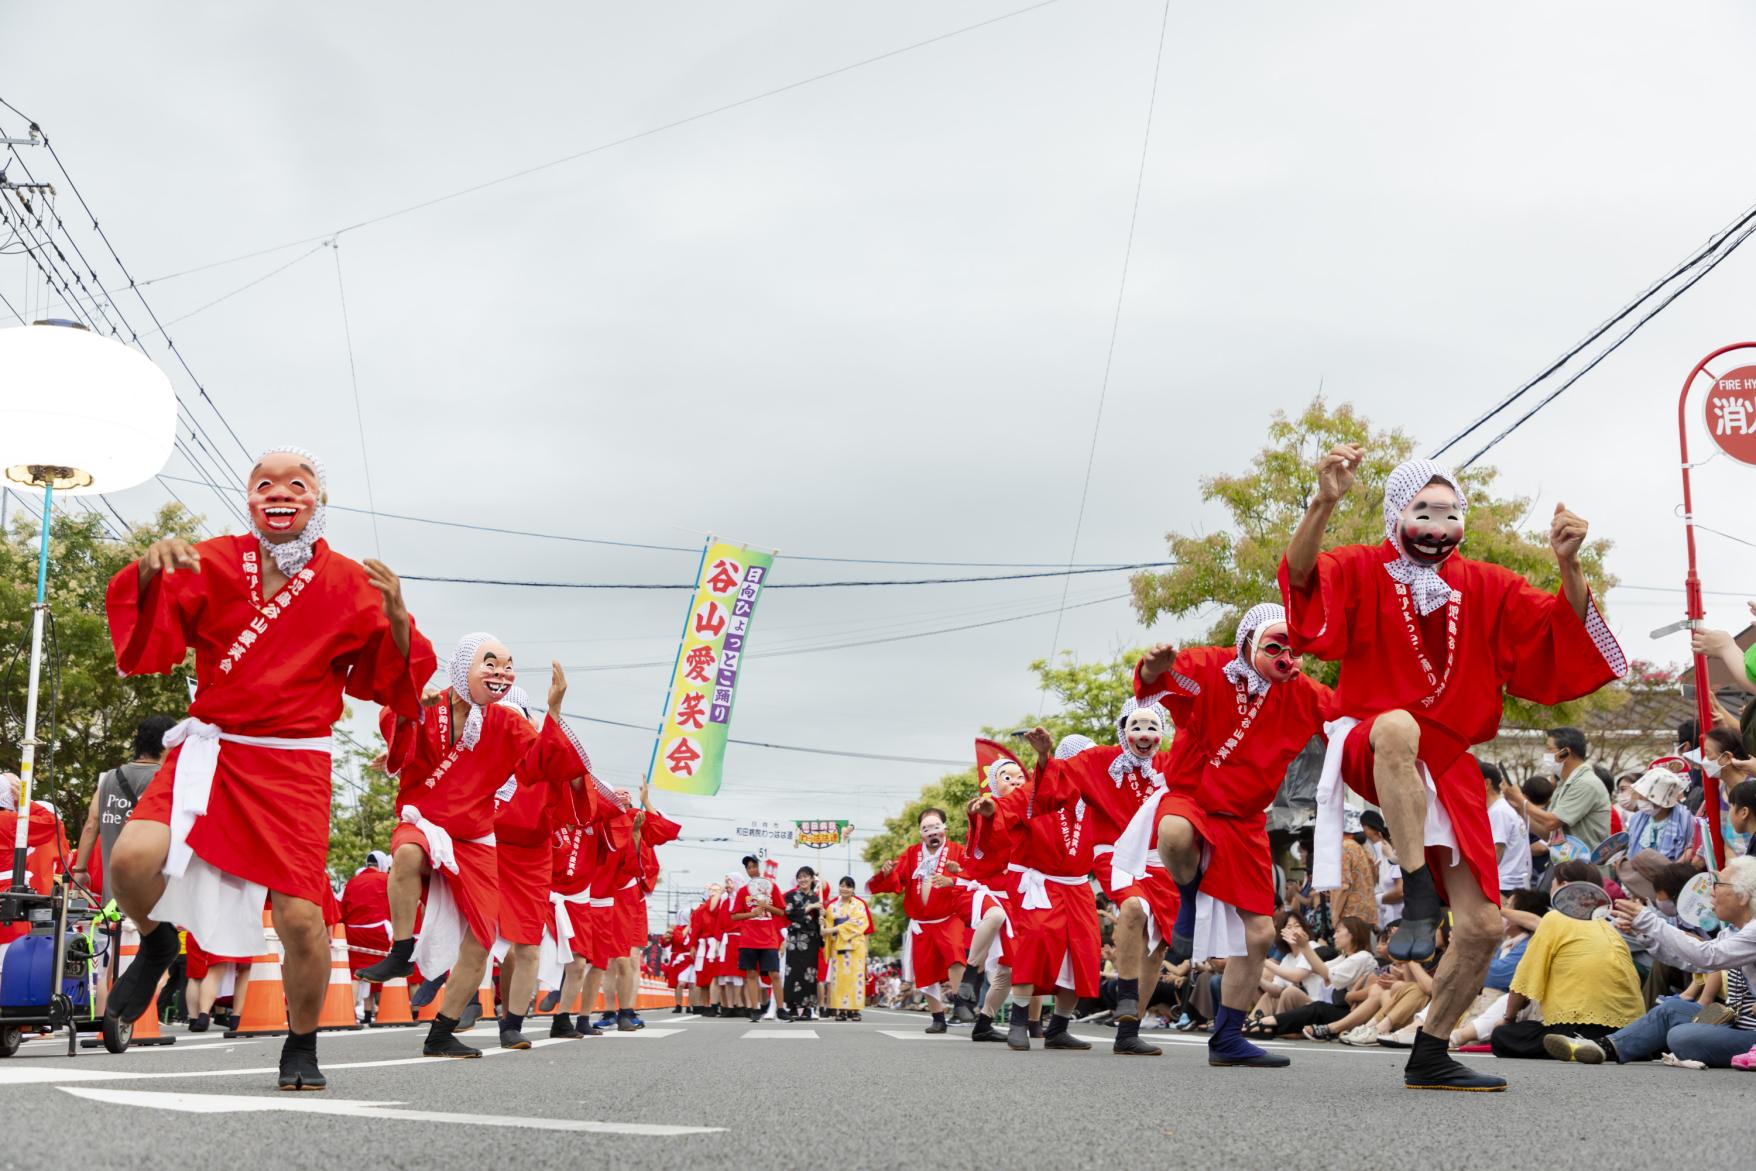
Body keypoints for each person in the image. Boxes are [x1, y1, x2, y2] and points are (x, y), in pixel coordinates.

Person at [1281, 450, 1625, 1091]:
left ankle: (1432, 1052)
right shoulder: (1362, 566)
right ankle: (1416, 887)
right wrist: (1323, 502)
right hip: (1373, 738)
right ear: (1396, 515)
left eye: (1448, 514)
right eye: (1423, 512)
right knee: (1398, 725)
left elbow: (1560, 628)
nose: (1437, 527)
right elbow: (1302, 584)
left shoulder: (1487, 583)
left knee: (1484, 927)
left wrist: (1570, 564)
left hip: (1453, 761)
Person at [102, 447, 437, 1092]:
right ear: (249, 497)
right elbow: (148, 646)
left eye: (297, 483)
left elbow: (395, 684)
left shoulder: (349, 582)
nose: (279, 492)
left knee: (301, 920)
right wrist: (147, 573)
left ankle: (302, 1043)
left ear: (318, 499)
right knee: (130, 860)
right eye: (264, 484)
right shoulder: (215, 559)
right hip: (214, 750)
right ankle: (157, 940)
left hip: (292, 766)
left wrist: (397, 617)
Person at [1127, 602, 1332, 1069]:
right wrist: (1153, 668)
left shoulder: (1304, 693)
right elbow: (1159, 680)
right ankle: (1188, 897)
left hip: (1245, 820)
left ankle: (1227, 1037)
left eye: (1295, 650)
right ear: (1246, 645)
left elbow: (1347, 718)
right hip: (1193, 798)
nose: (1288, 658)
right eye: (1275, 647)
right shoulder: (1211, 667)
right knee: (1174, 833)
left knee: (1260, 933)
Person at [360, 635, 585, 1057]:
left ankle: (442, 1032)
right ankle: (401, 950)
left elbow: (544, 763)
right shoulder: (431, 703)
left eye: (507, 666)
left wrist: (553, 711)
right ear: (464, 666)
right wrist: (411, 709)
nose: (500, 674)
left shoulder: (505, 722)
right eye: (490, 665)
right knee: (407, 854)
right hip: (425, 820)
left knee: (481, 940)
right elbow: (397, 734)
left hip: (476, 836)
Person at [1034, 702, 1181, 1055]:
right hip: (1114, 854)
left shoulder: (1170, 763)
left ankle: (1128, 1033)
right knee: (1134, 907)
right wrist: (1043, 757)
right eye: (1136, 726)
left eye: (1151, 726)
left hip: (1159, 861)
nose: (1144, 734)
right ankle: (1125, 999)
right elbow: (1053, 783)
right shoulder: (1098, 760)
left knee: (1157, 942)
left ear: (1161, 733)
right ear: (1122, 730)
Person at [1547, 856, 1756, 1067]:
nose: (1711, 891)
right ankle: (1604, 1047)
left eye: (1718, 884)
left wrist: (1649, 921)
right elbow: (1693, 963)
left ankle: (1644, 1043)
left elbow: (1708, 956)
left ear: (1742, 896)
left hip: (1749, 1031)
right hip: (1731, 1019)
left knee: (1681, 1036)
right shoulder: (1734, 931)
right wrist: (1644, 933)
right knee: (1671, 1009)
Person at [489, 686, 599, 1046]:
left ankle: (512, 1024)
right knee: (478, 940)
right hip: (483, 846)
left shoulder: (542, 754)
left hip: (532, 857)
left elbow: (578, 774)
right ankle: (458, 1012)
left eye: (514, 717)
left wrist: (553, 710)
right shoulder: (479, 749)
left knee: (526, 944)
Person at [982, 732, 1100, 1052]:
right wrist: (990, 811)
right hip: (1039, 881)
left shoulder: (1096, 797)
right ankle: (1019, 1020)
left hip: (1077, 886)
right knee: (1034, 939)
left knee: (1083, 951)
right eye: (1083, 760)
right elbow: (1009, 809)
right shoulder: (1036, 790)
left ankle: (1059, 1026)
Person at [1486, 860, 1644, 1058]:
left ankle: (1579, 1044)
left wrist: (1508, 1019)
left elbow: (1522, 983)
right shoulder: (1607, 926)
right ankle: (1610, 1048)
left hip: (1577, 1023)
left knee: (1502, 1036)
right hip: (1628, 1030)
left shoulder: (1555, 919)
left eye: (1553, 882)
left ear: (1563, 887)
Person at [868, 809, 969, 1033]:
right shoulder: (912, 854)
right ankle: (938, 1018)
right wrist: (886, 873)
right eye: (926, 829)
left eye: (936, 828)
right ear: (921, 833)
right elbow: (898, 879)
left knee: (955, 955)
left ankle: (961, 1002)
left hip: (948, 918)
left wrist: (955, 875)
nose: (932, 833)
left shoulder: (957, 851)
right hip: (921, 923)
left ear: (945, 828)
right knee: (926, 971)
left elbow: (972, 877)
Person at [952, 745, 1027, 1029]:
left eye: (1020, 777)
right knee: (994, 916)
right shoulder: (990, 809)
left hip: (1010, 895)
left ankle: (984, 1023)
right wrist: (985, 812)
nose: (1016, 782)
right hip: (977, 889)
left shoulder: (1029, 815)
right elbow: (986, 824)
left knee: (1009, 967)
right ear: (994, 783)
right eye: (1007, 778)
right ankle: (971, 974)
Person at [72, 715, 177, 899]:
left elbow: (91, 825)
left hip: (113, 898)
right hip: (154, 898)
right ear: (166, 744)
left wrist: (80, 870)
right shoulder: (167, 779)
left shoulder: (109, 778)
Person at [1247, 916, 1377, 1037]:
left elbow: (1325, 975)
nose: (1334, 935)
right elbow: (1322, 970)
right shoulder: (1343, 957)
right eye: (1288, 927)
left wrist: (1304, 946)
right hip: (1340, 1006)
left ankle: (1268, 1024)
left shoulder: (1362, 957)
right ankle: (1253, 1022)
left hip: (1350, 1011)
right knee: (1274, 995)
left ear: (1352, 934)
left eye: (1338, 931)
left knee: (1305, 1001)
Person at [1502, 727, 1611, 852]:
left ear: (1565, 753)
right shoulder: (1565, 783)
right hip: (1564, 864)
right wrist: (1519, 808)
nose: (1545, 753)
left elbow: (1551, 822)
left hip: (1584, 867)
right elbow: (1549, 834)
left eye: (1549, 749)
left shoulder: (1586, 783)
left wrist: (1521, 800)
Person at [729, 855, 786, 1020]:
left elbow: (781, 911)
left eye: (754, 866)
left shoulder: (772, 887)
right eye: (749, 867)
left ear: (760, 867)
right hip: (749, 938)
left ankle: (780, 1009)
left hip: (768, 937)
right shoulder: (743, 891)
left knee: (774, 973)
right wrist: (751, 913)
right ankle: (754, 1010)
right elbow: (734, 916)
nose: (752, 869)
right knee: (751, 974)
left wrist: (766, 906)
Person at [340, 850, 392, 1024]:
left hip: (353, 932)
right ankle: (388, 1012)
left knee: (356, 974)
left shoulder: (352, 882)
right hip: (378, 930)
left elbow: (342, 906)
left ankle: (350, 1013)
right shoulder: (386, 880)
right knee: (386, 970)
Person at [1623, 767, 1702, 866]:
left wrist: (1669, 873)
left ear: (1660, 801)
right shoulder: (1637, 818)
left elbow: (1690, 850)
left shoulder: (1686, 821)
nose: (1640, 800)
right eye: (1639, 796)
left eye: (1644, 798)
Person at [183, 930, 253, 1033]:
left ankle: (199, 1017)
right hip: (237, 928)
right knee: (245, 969)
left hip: (198, 928)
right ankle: (236, 1018)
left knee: (198, 975)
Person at [781, 866, 823, 1021]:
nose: (803, 879)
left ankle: (807, 1008)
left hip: (811, 939)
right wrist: (809, 907)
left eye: (806, 876)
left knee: (809, 974)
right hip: (795, 938)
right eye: (800, 877)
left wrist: (822, 917)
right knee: (793, 972)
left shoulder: (818, 898)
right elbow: (790, 913)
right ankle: (792, 1006)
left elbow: (820, 922)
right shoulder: (791, 896)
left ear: (812, 878)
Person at [1484, 761, 1532, 896]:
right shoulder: (1503, 807)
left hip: (1505, 885)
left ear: (1486, 783)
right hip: (1512, 883)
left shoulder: (1499, 811)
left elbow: (1496, 851)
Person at [826, 877, 870, 1020]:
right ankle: (841, 1010)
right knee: (839, 979)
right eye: (842, 886)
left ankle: (855, 1010)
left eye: (848, 886)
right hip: (838, 945)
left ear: (853, 889)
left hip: (856, 946)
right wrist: (823, 922)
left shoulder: (860, 905)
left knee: (855, 978)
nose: (845, 889)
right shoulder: (832, 906)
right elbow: (827, 928)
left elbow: (859, 923)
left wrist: (835, 928)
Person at [1360, 810, 1403, 931]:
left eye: (1364, 826)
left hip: (1393, 909)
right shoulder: (1371, 847)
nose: (1363, 830)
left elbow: (1391, 883)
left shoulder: (1384, 847)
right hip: (1385, 908)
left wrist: (1375, 899)